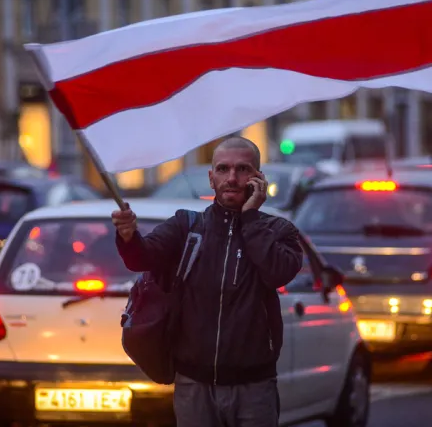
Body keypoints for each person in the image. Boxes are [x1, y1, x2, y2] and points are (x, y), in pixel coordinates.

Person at [111, 136, 303, 427]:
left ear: (258, 179)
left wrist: (250, 218)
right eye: (223, 169)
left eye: (243, 169)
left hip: (254, 387)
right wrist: (128, 236)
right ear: (211, 178)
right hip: (194, 386)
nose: (232, 178)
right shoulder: (187, 226)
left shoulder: (278, 231)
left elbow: (277, 272)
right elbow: (142, 258)